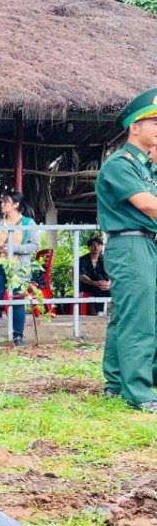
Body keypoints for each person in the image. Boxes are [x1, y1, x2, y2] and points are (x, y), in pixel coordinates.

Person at [97, 88, 157, 411]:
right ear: (135, 126)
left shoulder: (145, 166)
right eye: (155, 122)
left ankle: (117, 382)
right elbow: (147, 204)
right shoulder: (120, 164)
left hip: (144, 244)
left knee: (125, 316)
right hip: (130, 243)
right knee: (139, 318)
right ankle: (139, 393)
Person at [0, 191, 39, 347]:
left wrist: (14, 249)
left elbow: (34, 245)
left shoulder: (28, 223)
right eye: (2, 202)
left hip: (18, 268)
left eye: (6, 202)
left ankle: (18, 337)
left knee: (17, 302)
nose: (2, 204)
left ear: (16, 205)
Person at [78, 236, 110, 315]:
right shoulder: (82, 259)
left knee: (99, 282)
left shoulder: (105, 259)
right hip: (86, 285)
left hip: (102, 286)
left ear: (101, 246)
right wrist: (95, 283)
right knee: (98, 278)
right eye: (93, 245)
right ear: (89, 247)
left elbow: (111, 273)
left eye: (98, 245)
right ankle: (103, 309)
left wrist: (109, 283)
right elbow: (82, 276)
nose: (96, 248)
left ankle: (100, 311)